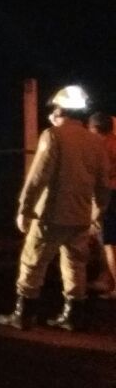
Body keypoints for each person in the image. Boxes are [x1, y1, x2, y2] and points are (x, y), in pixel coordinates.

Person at [0, 86, 110, 332]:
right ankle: (72, 316)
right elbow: (104, 184)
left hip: (50, 215)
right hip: (80, 217)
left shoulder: (53, 136)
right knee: (75, 265)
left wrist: (25, 209)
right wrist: (96, 214)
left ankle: (24, 314)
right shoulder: (95, 141)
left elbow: (38, 177)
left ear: (60, 110)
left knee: (33, 262)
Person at [87, 112, 116, 297]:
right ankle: (106, 280)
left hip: (110, 195)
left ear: (95, 129)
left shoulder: (100, 146)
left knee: (110, 243)